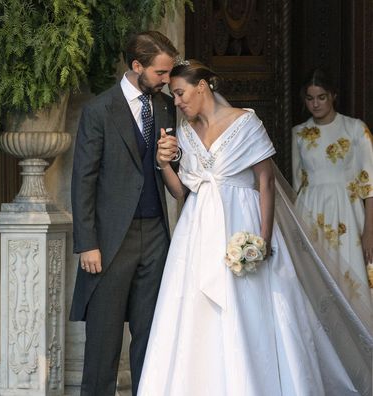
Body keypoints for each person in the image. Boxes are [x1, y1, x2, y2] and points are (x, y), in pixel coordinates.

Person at [137, 60, 360, 395]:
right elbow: (181, 191)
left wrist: (264, 239)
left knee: (247, 306)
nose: (178, 101)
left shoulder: (245, 122)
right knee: (192, 308)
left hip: (241, 221)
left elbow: (266, 181)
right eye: (174, 95)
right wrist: (163, 163)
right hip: (197, 231)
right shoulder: (184, 132)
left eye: (181, 93)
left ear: (201, 87)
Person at [69, 31, 180, 396]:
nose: (167, 80)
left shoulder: (165, 106)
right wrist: (88, 243)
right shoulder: (99, 110)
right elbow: (83, 180)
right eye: (161, 73)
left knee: (151, 336)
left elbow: (170, 169)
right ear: (137, 67)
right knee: (104, 338)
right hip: (111, 240)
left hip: (157, 235)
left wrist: (172, 156)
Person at [292, 68, 373, 306]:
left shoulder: (356, 129)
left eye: (321, 97)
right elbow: (298, 184)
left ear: (333, 95)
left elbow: (369, 185)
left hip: (347, 212)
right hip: (310, 210)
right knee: (316, 280)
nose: (315, 104)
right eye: (310, 98)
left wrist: (369, 231)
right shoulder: (299, 133)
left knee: (351, 276)